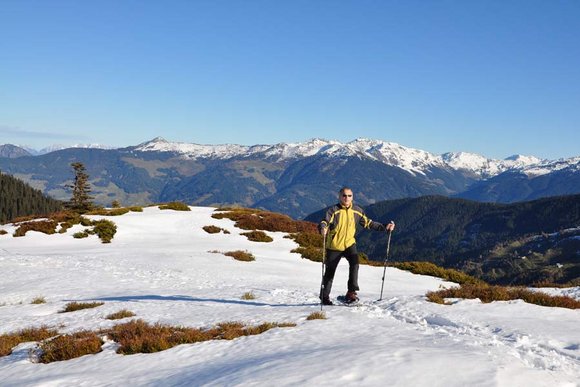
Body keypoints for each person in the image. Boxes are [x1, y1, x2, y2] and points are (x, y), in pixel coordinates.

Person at [319, 187, 395, 305]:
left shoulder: (357, 210)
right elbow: (324, 221)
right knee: (330, 272)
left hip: (349, 243)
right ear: (339, 197)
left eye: (349, 196)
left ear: (352, 197)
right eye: (344, 195)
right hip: (334, 245)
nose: (347, 198)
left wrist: (385, 226)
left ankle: (351, 293)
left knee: (355, 264)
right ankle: (324, 297)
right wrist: (322, 228)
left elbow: (368, 223)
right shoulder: (333, 211)